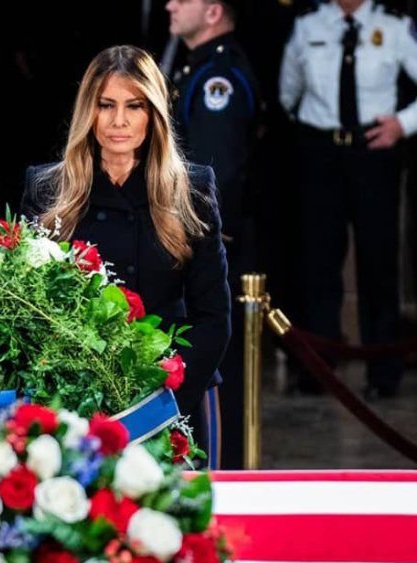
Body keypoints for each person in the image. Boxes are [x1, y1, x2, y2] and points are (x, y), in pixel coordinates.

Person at [21, 45, 230, 463]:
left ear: (152, 114)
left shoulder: (192, 190)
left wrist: (162, 394)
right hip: (77, 404)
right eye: (106, 105)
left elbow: (213, 319)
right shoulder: (47, 189)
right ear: (88, 112)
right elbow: (30, 313)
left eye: (134, 106)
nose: (119, 121)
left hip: (174, 397)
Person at [280, 0, 417, 398]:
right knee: (317, 264)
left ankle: (383, 374)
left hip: (373, 152)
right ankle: (318, 373)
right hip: (319, 153)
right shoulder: (308, 24)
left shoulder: (394, 25)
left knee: (378, 264)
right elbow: (289, 92)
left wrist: (403, 125)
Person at [167, 0, 262, 468]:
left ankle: (230, 470)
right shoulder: (193, 67)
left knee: (219, 367)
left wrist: (196, 234)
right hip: (197, 238)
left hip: (211, 245)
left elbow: (213, 171)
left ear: (212, 12)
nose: (169, 5)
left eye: (182, 0)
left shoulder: (215, 78)